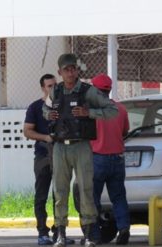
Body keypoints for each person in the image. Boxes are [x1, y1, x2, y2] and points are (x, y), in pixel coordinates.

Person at [43, 53, 118, 247]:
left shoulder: (88, 91)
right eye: (66, 69)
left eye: (73, 69)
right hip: (60, 146)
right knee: (60, 191)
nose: (70, 72)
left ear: (77, 70)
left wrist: (89, 112)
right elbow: (45, 108)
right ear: (60, 72)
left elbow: (112, 110)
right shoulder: (56, 91)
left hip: (82, 146)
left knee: (86, 189)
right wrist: (49, 114)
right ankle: (60, 232)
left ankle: (90, 233)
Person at [23, 74, 76, 246]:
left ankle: (59, 232)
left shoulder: (63, 105)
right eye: (49, 86)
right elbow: (27, 131)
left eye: (55, 85)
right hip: (43, 155)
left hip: (62, 154)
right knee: (41, 194)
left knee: (60, 194)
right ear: (42, 88)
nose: (53, 88)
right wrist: (45, 137)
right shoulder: (35, 107)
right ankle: (42, 232)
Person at [90, 74, 131, 245]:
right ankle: (123, 228)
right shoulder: (120, 109)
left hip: (97, 159)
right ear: (109, 90)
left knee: (93, 198)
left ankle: (94, 234)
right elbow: (125, 132)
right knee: (119, 196)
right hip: (118, 159)